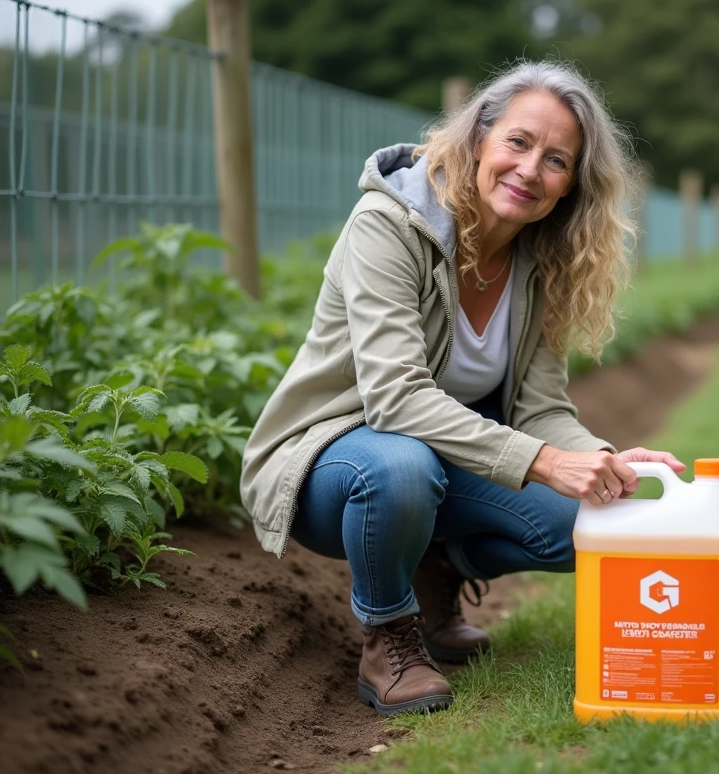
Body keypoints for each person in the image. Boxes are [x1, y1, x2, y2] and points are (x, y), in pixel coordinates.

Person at [240, 60, 685, 718]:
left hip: (444, 460)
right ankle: (389, 635)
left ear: (570, 186)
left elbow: (540, 407)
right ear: (479, 139)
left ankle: (437, 566)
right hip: (334, 461)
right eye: (518, 142)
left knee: (592, 522)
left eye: (556, 161)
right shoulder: (389, 224)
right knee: (400, 466)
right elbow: (394, 398)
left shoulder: (541, 259)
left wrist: (599, 460)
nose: (530, 170)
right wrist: (544, 463)